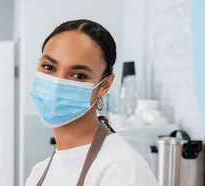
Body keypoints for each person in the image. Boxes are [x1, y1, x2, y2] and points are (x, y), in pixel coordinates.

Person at [24, 19, 158, 186]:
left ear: (105, 86)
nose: (57, 83)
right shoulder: (38, 173)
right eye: (49, 67)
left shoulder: (123, 170)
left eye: (79, 75)